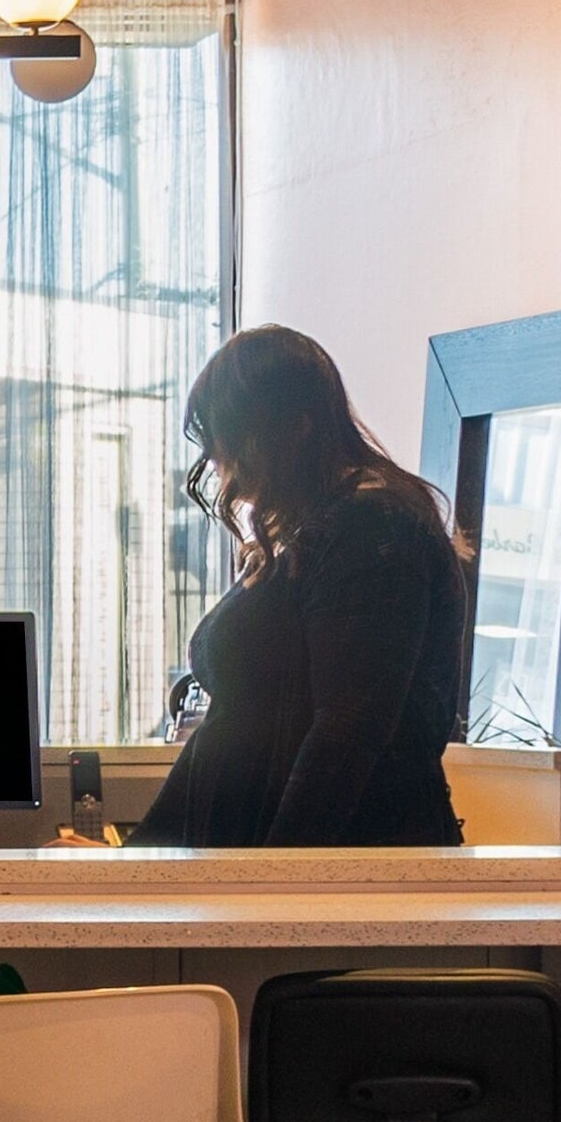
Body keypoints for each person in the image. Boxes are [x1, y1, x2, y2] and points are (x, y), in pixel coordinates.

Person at [133, 324, 469, 848]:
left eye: (229, 439)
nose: (218, 464)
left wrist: (278, 885)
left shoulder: (373, 526)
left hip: (345, 870)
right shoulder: (316, 529)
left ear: (293, 429)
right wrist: (138, 859)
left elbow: (346, 738)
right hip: (265, 865)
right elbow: (232, 726)